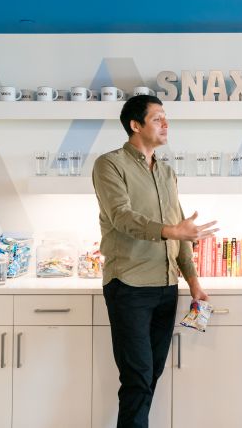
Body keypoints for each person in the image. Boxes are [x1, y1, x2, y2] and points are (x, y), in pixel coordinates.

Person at [92, 94, 218, 428]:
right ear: (135, 125)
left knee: (151, 376)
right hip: (129, 286)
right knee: (137, 378)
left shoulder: (166, 172)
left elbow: (181, 230)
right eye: (158, 118)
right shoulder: (110, 164)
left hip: (166, 288)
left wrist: (194, 282)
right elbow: (122, 217)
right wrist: (171, 231)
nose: (166, 124)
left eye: (166, 118)